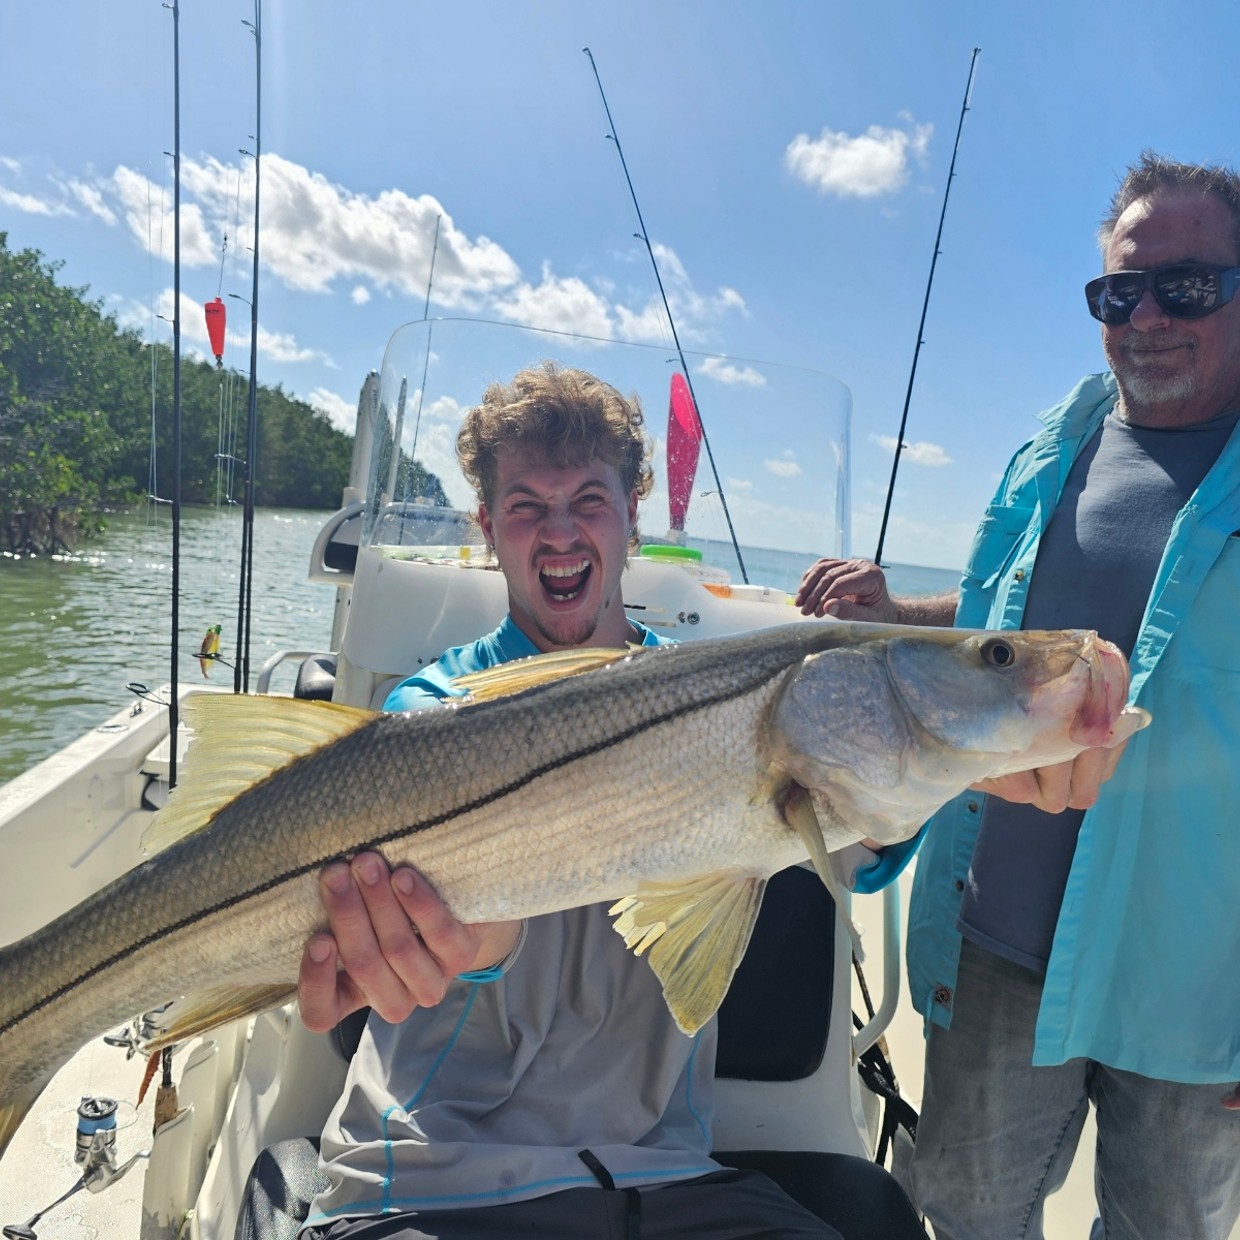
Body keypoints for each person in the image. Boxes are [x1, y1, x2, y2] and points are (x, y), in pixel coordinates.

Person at [796, 152, 1240, 1240]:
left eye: (1186, 286)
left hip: (1193, 977)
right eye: (1117, 291)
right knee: (963, 1211)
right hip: (998, 941)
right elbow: (1007, 622)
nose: (1146, 315)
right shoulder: (1057, 441)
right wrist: (901, 615)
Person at [295, 362, 842, 1239]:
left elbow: (861, 831)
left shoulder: (735, 706)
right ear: (488, 530)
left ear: (632, 516)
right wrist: (455, 945)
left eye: (589, 499)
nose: (558, 533)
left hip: (668, 1182)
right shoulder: (431, 716)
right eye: (524, 507)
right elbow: (421, 952)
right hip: (436, 1175)